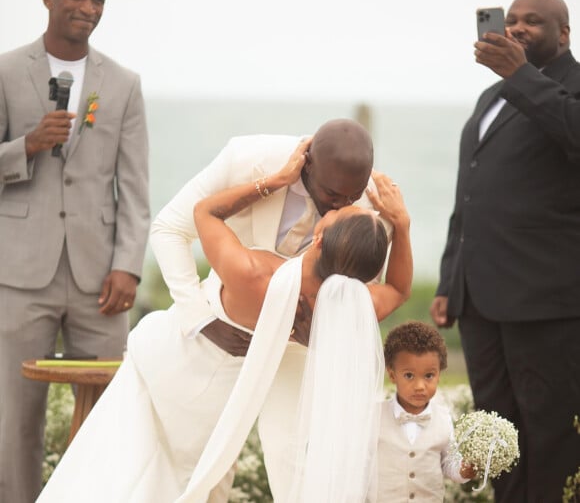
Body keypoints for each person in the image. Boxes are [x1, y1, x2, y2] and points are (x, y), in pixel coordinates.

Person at [38, 141, 413, 502]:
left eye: (341, 212)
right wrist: (403, 225)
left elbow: (204, 212)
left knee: (129, 465)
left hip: (176, 364)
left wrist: (277, 181)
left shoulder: (255, 276)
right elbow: (398, 288)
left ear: (318, 237)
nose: (342, 205)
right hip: (220, 374)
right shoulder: (355, 305)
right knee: (185, 473)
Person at [149, 117, 391, 499]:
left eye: (353, 195)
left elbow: (364, 287)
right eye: (333, 194)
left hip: (298, 347)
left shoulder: (370, 197)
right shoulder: (246, 158)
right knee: (200, 460)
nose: (344, 204)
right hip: (227, 332)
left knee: (291, 455)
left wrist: (322, 330)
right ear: (307, 163)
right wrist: (199, 318)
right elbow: (169, 228)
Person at [0, 0, 150, 503]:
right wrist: (27, 146)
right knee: (13, 424)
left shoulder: (125, 84)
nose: (88, 8)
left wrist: (128, 265)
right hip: (19, 276)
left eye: (98, 0)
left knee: (114, 414)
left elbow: (135, 188)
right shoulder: (6, 71)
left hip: (102, 284)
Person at [429, 0, 580, 503]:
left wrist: (519, 75)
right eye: (509, 20)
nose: (516, 27)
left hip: (543, 301)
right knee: (495, 430)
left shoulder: (571, 86)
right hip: (481, 299)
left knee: (550, 429)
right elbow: (468, 194)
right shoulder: (490, 98)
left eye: (532, 22)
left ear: (563, 33)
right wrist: (452, 279)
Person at [377, 321, 475, 502]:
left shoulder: (443, 417)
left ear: (439, 374)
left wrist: (464, 470)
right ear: (392, 375)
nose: (420, 386)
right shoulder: (375, 417)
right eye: (409, 376)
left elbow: (449, 462)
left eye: (429, 376)